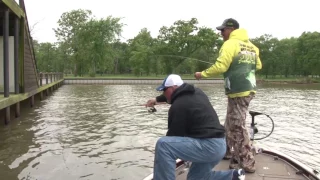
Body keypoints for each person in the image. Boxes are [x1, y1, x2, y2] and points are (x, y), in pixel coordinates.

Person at [194, 18, 262, 173]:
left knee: (238, 126)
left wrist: (202, 74)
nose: (221, 34)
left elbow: (221, 66)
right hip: (248, 89)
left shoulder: (230, 44)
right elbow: (258, 65)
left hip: (238, 91)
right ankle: (228, 152)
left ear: (231, 29)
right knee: (230, 123)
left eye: (222, 30)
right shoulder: (253, 47)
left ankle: (247, 161)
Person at [148, 74, 245, 180]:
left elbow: (173, 138)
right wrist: (156, 99)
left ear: (173, 88)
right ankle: (233, 176)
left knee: (164, 145)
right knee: (196, 178)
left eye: (164, 90)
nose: (163, 93)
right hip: (220, 144)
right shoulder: (197, 92)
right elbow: (175, 96)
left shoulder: (178, 107)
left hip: (209, 147)